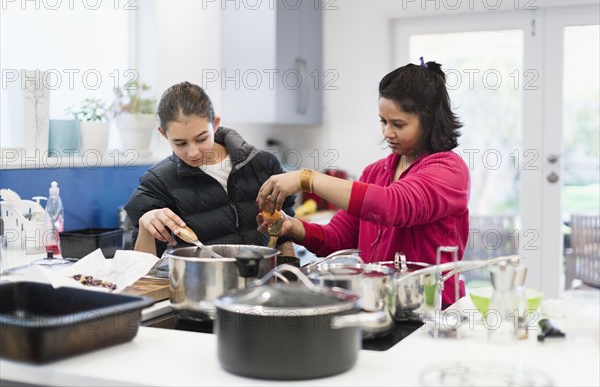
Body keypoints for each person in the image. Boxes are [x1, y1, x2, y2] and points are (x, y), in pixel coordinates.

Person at [257, 59, 470, 306]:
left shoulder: (448, 170)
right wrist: (293, 227)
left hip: (435, 311)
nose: (387, 132)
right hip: (383, 305)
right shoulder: (376, 173)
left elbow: (393, 205)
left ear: (430, 121)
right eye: (383, 121)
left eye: (398, 124)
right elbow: (338, 236)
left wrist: (307, 179)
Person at [125, 81, 295, 256]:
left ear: (215, 123)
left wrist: (290, 278)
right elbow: (142, 265)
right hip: (202, 281)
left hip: (264, 280)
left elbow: (284, 233)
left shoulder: (263, 164)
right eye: (180, 143)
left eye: (201, 139)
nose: (192, 153)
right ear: (163, 133)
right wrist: (145, 224)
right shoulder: (158, 183)